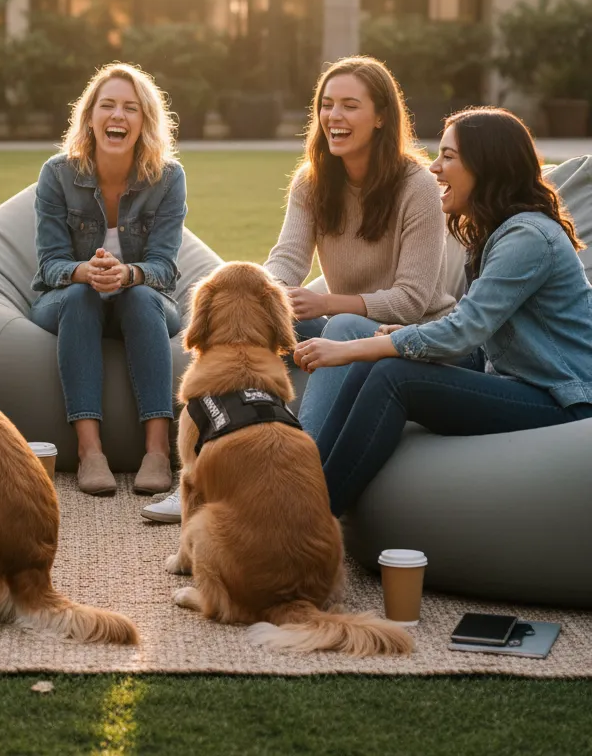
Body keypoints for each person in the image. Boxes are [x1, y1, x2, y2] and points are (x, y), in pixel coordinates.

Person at [144, 55, 456, 524]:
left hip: (409, 331)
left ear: (382, 117)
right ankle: (201, 475)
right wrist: (260, 299)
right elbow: (286, 262)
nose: (334, 117)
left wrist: (328, 301)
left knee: (346, 322)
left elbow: (412, 299)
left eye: (350, 105)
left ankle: (292, 474)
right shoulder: (313, 180)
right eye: (327, 105)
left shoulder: (417, 186)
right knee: (260, 325)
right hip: (342, 322)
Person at [294, 107, 592, 516]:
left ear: (486, 165)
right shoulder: (496, 234)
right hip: (527, 384)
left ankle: (308, 518)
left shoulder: (528, 236)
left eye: (449, 156)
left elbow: (462, 332)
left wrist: (351, 349)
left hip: (564, 398)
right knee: (380, 365)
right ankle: (301, 485)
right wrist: (397, 338)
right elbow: (480, 349)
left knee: (395, 377)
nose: (434, 168)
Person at [30, 62, 187, 497]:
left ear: (144, 121)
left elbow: (164, 268)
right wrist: (84, 271)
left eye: (130, 108)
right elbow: (49, 266)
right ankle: (89, 451)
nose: (118, 116)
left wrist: (128, 273)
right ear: (90, 116)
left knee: (138, 299)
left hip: (143, 301)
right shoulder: (58, 174)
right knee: (81, 296)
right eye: (108, 106)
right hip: (68, 298)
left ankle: (157, 451)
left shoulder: (168, 177)